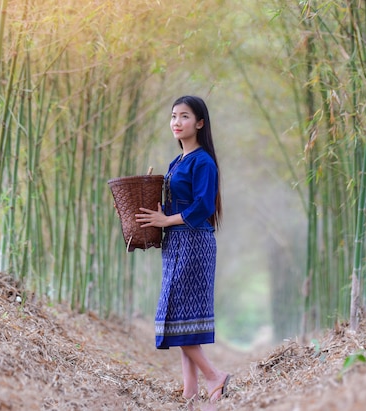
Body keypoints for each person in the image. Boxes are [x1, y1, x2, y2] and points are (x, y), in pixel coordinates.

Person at [135, 95, 231, 404]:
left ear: (200, 123)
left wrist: (165, 219)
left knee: (175, 314)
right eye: (174, 116)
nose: (177, 122)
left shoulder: (203, 161)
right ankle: (190, 392)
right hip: (176, 242)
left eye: (185, 116)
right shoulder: (176, 162)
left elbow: (203, 206)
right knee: (184, 318)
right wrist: (158, 216)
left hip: (194, 243)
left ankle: (215, 376)